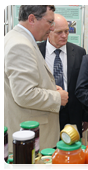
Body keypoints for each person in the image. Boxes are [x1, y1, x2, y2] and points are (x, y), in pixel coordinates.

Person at [4, 5, 69, 152]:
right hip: (31, 136)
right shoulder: (20, 45)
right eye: (49, 22)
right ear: (32, 19)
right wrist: (57, 97)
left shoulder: (15, 38)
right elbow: (24, 94)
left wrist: (52, 88)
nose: (52, 28)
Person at [38, 13, 88, 137]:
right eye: (59, 32)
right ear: (48, 32)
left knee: (71, 153)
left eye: (67, 31)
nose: (64, 36)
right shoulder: (36, 51)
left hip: (72, 115)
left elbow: (85, 85)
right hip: (45, 113)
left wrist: (85, 116)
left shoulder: (79, 52)